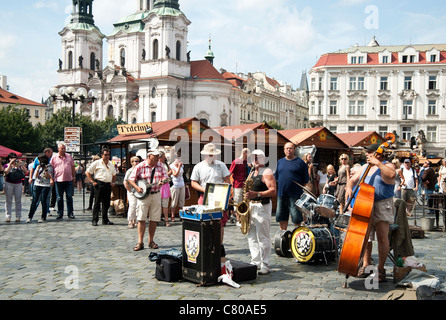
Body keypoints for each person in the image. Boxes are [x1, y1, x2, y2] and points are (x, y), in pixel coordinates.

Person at [345, 143, 396, 282]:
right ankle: (367, 264)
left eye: (369, 152)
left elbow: (392, 174)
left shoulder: (388, 165)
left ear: (378, 153)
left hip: (381, 204)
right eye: (366, 152)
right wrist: (349, 188)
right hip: (365, 203)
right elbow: (352, 180)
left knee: (382, 237)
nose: (366, 154)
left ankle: (380, 268)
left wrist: (378, 163)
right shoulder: (365, 167)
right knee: (366, 237)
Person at [190, 143, 231, 256]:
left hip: (219, 197)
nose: (212, 156)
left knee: (220, 222)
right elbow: (193, 182)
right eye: (210, 154)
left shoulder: (221, 165)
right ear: (205, 155)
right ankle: (205, 245)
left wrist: (226, 193)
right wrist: (204, 189)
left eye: (214, 154)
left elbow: (227, 179)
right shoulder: (198, 166)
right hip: (204, 196)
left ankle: (219, 245)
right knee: (203, 221)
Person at [128, 149, 169, 251]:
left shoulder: (160, 166)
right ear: (149, 156)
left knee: (154, 219)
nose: (156, 159)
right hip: (144, 196)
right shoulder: (140, 166)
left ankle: (151, 241)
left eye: (157, 157)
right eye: (154, 157)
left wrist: (163, 181)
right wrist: (137, 188)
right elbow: (131, 179)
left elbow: (166, 177)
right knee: (141, 218)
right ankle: (140, 242)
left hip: (156, 194)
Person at [244, 149, 276, 275]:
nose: (255, 160)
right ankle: (255, 261)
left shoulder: (267, 172)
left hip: (262, 206)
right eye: (253, 157)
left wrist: (256, 193)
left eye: (257, 157)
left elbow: (273, 191)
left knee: (263, 236)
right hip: (251, 206)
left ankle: (265, 264)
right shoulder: (252, 172)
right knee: (252, 236)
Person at [274, 142, 309, 230]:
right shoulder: (280, 162)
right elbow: (276, 178)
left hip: (295, 195)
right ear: (284, 150)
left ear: (294, 150)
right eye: (287, 148)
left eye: (291, 148)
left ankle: (296, 238)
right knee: (281, 218)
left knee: (297, 219)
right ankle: (283, 237)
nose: (289, 150)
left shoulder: (300, 162)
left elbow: (305, 181)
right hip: (282, 195)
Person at [85, 148, 117, 226]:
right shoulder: (97, 163)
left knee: (106, 203)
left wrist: (113, 182)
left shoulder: (110, 164)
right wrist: (92, 181)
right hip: (99, 184)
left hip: (107, 184)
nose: (107, 156)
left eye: (108, 155)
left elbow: (114, 174)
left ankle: (105, 219)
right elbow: (87, 172)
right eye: (105, 155)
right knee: (97, 202)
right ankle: (95, 220)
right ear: (102, 155)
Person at [50, 142, 76, 220]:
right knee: (59, 198)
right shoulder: (54, 157)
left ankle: (70, 213)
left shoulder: (69, 156)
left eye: (64, 148)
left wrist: (74, 177)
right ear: (58, 149)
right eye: (62, 148)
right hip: (58, 180)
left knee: (69, 197)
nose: (63, 150)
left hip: (68, 180)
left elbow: (72, 167)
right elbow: (50, 169)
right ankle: (60, 213)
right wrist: (51, 178)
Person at [27, 153, 53, 223]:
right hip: (37, 184)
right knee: (34, 200)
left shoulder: (49, 166)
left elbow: (48, 176)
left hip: (45, 185)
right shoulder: (38, 166)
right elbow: (35, 176)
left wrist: (46, 169)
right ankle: (30, 216)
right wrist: (38, 169)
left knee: (43, 201)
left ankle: (43, 217)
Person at [3, 153, 28, 222]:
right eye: (11, 158)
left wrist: (22, 165)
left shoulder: (18, 165)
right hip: (9, 183)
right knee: (8, 200)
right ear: (9, 158)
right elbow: (6, 172)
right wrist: (10, 164)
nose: (13, 159)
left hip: (18, 183)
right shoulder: (6, 165)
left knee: (18, 200)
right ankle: (8, 216)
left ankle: (18, 216)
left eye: (14, 158)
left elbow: (26, 172)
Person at [229, 148, 250, 224]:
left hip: (244, 184)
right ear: (245, 153)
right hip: (237, 185)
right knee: (237, 202)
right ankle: (238, 220)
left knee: (244, 201)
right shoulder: (236, 161)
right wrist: (230, 185)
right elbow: (230, 173)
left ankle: (243, 219)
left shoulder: (245, 162)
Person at [124, 156, 141, 229]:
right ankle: (130, 221)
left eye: (137, 161)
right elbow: (125, 182)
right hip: (132, 191)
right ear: (131, 163)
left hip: (140, 191)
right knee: (132, 205)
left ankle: (136, 220)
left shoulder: (141, 170)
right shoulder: (130, 171)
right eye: (134, 161)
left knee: (139, 206)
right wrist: (130, 190)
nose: (136, 162)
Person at [169, 152, 185, 222]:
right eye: (178, 158)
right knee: (174, 201)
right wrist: (178, 167)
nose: (179, 160)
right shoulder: (171, 166)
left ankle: (181, 215)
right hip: (175, 185)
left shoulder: (182, 166)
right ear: (175, 159)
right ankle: (173, 215)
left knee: (182, 201)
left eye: (180, 158)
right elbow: (175, 174)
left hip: (182, 184)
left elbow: (182, 174)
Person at [158, 151, 172, 226]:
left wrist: (166, 175)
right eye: (164, 156)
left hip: (165, 185)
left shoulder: (166, 164)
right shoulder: (156, 165)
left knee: (165, 204)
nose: (165, 158)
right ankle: (157, 219)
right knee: (157, 204)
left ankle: (166, 220)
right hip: (158, 184)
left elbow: (171, 171)